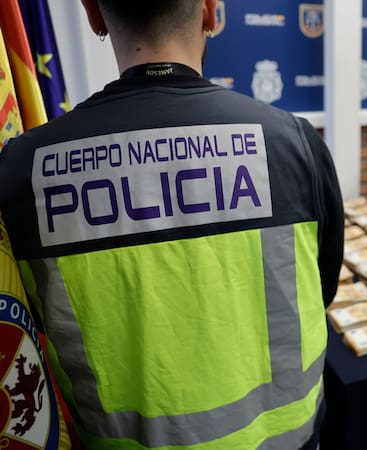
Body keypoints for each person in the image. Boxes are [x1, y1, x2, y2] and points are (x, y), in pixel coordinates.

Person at [0, 0, 344, 448]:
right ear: (210, 10)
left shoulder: (22, 169)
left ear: (93, 15)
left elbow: (28, 323)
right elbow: (322, 290)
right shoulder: (295, 143)